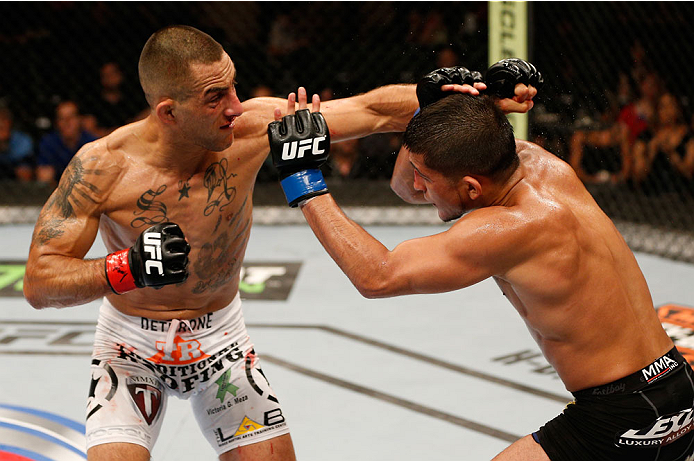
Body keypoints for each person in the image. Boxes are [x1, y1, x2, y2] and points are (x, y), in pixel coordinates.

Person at [22, 24, 455, 461]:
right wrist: (126, 267)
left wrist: (464, 92)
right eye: (215, 97)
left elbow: (373, 111)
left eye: (233, 87)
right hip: (130, 345)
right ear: (168, 113)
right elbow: (40, 282)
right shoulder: (102, 167)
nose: (235, 107)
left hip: (221, 341)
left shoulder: (253, 126)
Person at [268, 70, 694, 460]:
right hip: (673, 383)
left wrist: (303, 179)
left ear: (471, 188)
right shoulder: (535, 162)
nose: (417, 184)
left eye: (427, 178)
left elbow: (378, 275)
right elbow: (406, 187)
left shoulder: (509, 228)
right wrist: (431, 109)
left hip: (627, 415)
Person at [36, 100, 97, 185]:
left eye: (71, 117)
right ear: (57, 122)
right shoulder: (49, 143)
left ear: (80, 120)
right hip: (57, 192)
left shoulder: (93, 143)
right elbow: (44, 179)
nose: (67, 123)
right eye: (62, 118)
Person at [0, 105, 34, 182]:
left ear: (10, 122)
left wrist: (4, 143)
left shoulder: (23, 141)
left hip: (16, 177)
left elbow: (25, 171)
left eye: (4, 119)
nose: (1, 123)